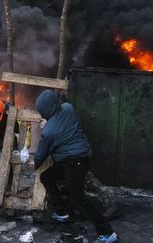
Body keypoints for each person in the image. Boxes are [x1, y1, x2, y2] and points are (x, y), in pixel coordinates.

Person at [34, 89, 118, 243]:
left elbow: (41, 154)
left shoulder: (49, 131)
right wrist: (50, 122)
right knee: (46, 177)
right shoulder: (68, 108)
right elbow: (60, 119)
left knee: (78, 196)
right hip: (81, 158)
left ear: (45, 110)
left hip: (75, 163)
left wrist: (33, 164)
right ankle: (61, 212)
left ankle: (107, 233)